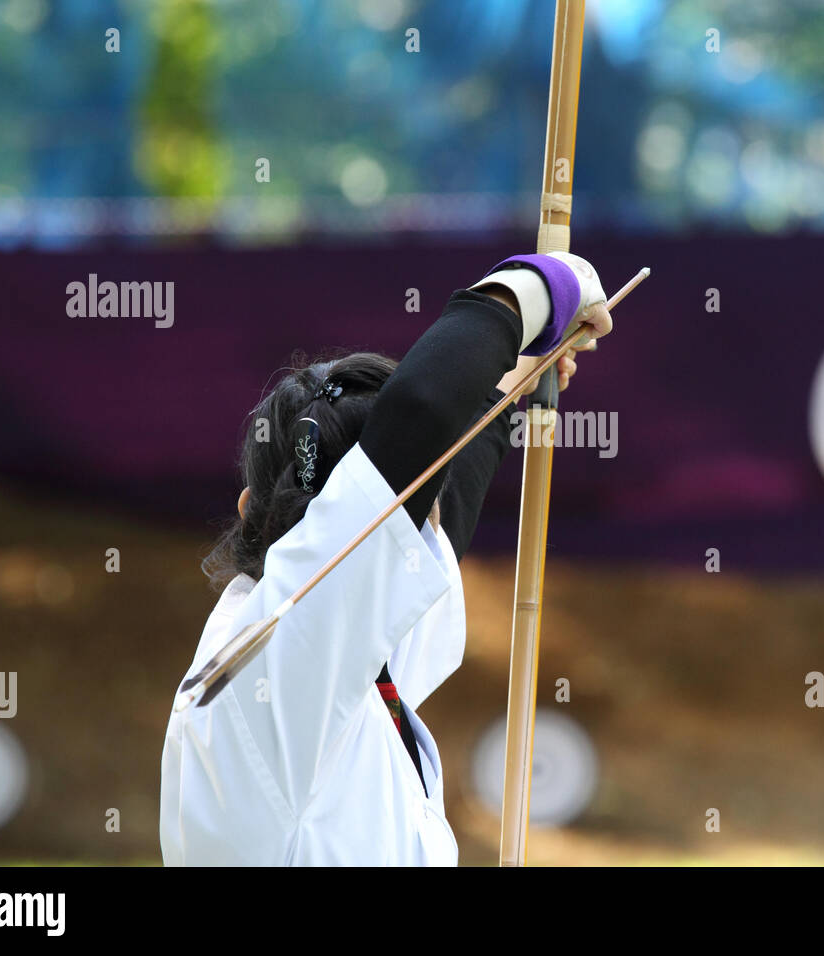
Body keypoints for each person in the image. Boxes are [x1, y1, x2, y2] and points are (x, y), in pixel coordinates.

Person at [160, 252, 612, 865]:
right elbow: (420, 422)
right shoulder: (274, 659)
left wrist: (518, 382)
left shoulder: (335, 659)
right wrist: (546, 285)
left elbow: (426, 509)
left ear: (247, 508)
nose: (422, 534)